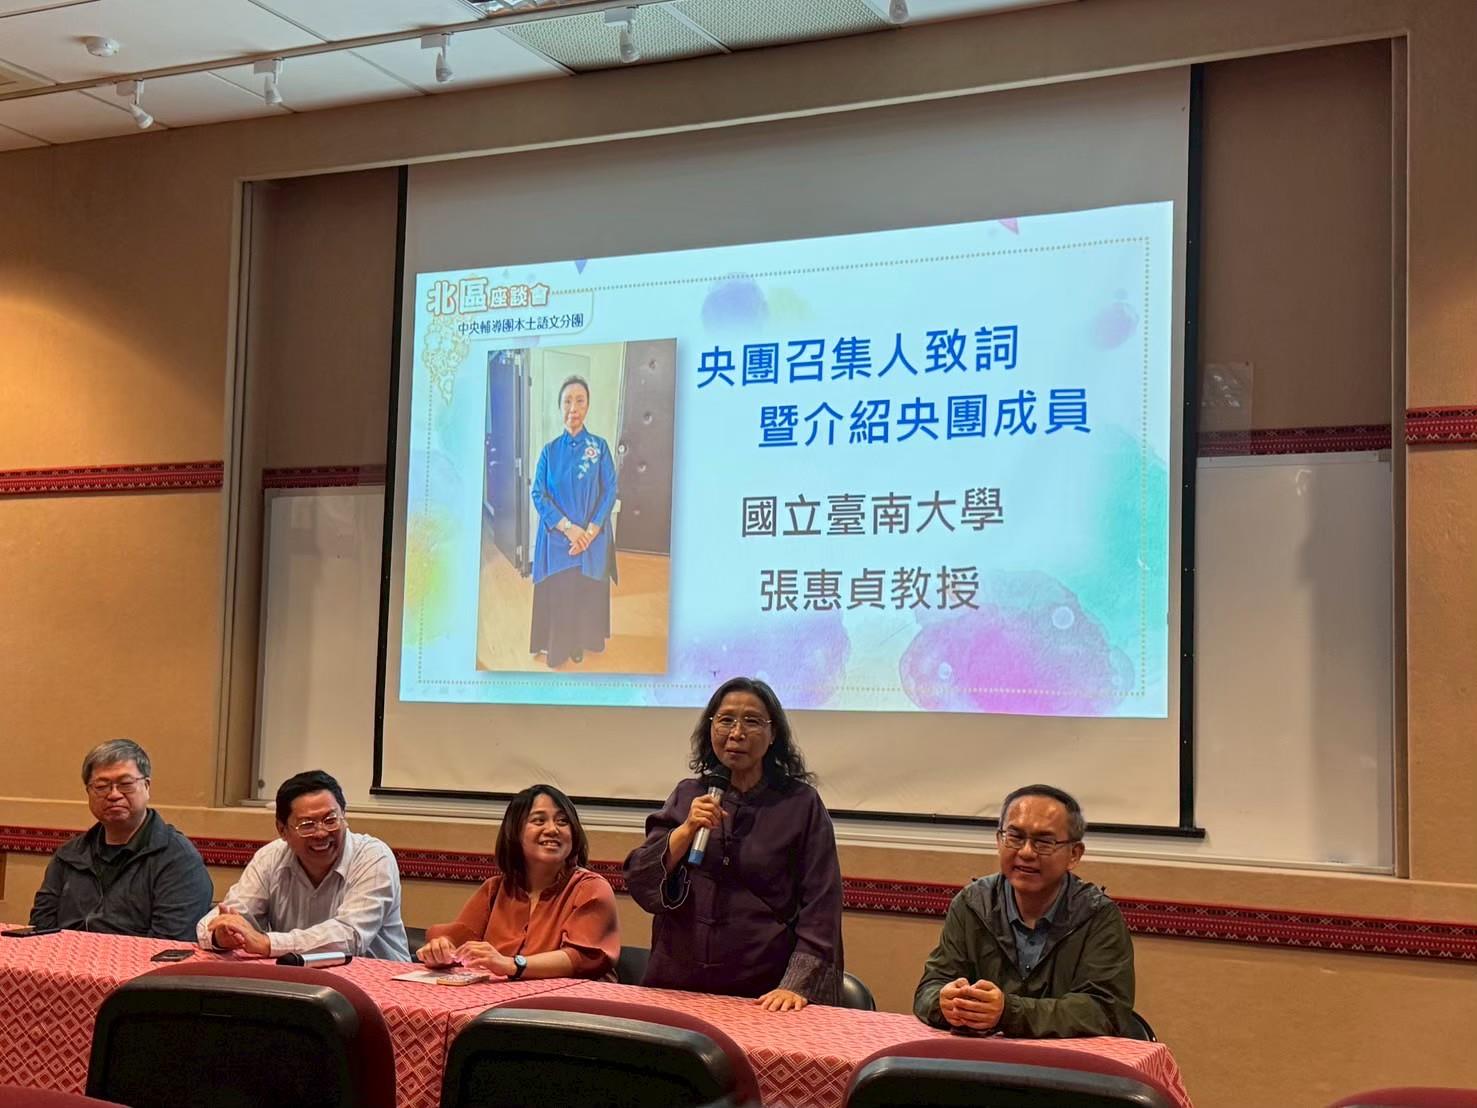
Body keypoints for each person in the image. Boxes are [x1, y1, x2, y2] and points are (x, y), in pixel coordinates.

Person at [624, 677, 844, 1011]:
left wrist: (795, 986)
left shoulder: (800, 804)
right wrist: (687, 829)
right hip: (677, 984)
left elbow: (821, 902)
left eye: (752, 721)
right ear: (710, 728)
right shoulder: (688, 794)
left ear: (773, 734)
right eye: (726, 720)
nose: (737, 733)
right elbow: (640, 879)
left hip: (763, 993)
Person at [913, 784, 1135, 1037]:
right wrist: (943, 1003)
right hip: (978, 1057)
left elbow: (1105, 1011)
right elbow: (930, 988)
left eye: (1044, 842)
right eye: (1015, 837)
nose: (1026, 852)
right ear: (999, 841)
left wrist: (1009, 1012)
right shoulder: (973, 904)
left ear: (1074, 854)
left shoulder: (1097, 915)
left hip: (1064, 1060)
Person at [196, 770, 410, 961]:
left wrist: (268, 943)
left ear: (344, 817)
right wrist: (221, 936)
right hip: (299, 982)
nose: (321, 833)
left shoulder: (374, 857)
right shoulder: (271, 857)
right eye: (307, 825)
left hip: (379, 984)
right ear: (282, 830)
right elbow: (222, 918)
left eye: (331, 820)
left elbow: (350, 936)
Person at [417, 784, 619, 979]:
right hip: (501, 997)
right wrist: (441, 950)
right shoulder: (495, 889)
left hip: (572, 999)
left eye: (562, 821)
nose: (552, 829)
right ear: (515, 832)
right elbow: (458, 942)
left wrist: (512, 964)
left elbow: (582, 957)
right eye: (539, 821)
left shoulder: (591, 888)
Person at [29, 740, 213, 941]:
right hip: (63, 957)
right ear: (88, 792)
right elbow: (40, 928)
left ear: (147, 787)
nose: (114, 795)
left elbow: (169, 943)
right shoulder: (69, 855)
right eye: (101, 786)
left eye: (125, 784)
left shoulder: (177, 858)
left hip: (141, 961)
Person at [529, 375, 618, 668]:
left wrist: (589, 532)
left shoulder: (599, 447)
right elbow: (538, 493)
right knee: (562, 595)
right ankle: (558, 646)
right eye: (567, 401)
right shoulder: (549, 451)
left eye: (580, 401)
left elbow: (610, 490)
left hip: (591, 540)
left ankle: (580, 642)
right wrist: (568, 528)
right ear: (559, 407)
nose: (573, 408)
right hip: (559, 539)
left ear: (588, 406)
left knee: (584, 595)